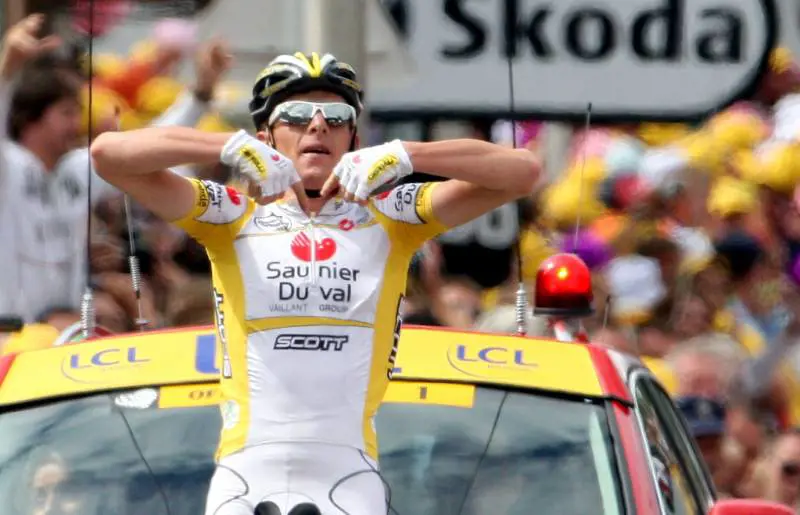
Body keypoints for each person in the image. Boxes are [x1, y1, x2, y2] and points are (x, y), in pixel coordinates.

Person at [91, 51, 540, 514]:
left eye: (337, 117)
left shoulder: (393, 216)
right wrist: (225, 145)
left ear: (355, 141)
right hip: (245, 475)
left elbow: (522, 172)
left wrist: (408, 154)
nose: (318, 125)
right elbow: (108, 155)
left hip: (348, 477)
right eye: (297, 115)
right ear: (266, 138)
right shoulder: (230, 215)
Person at [0, 14, 228, 322]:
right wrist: (7, 67)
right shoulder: (8, 165)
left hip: (66, 331)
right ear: (29, 117)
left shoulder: (74, 170)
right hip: (12, 335)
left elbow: (149, 143)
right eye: (66, 113)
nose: (77, 123)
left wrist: (200, 92)